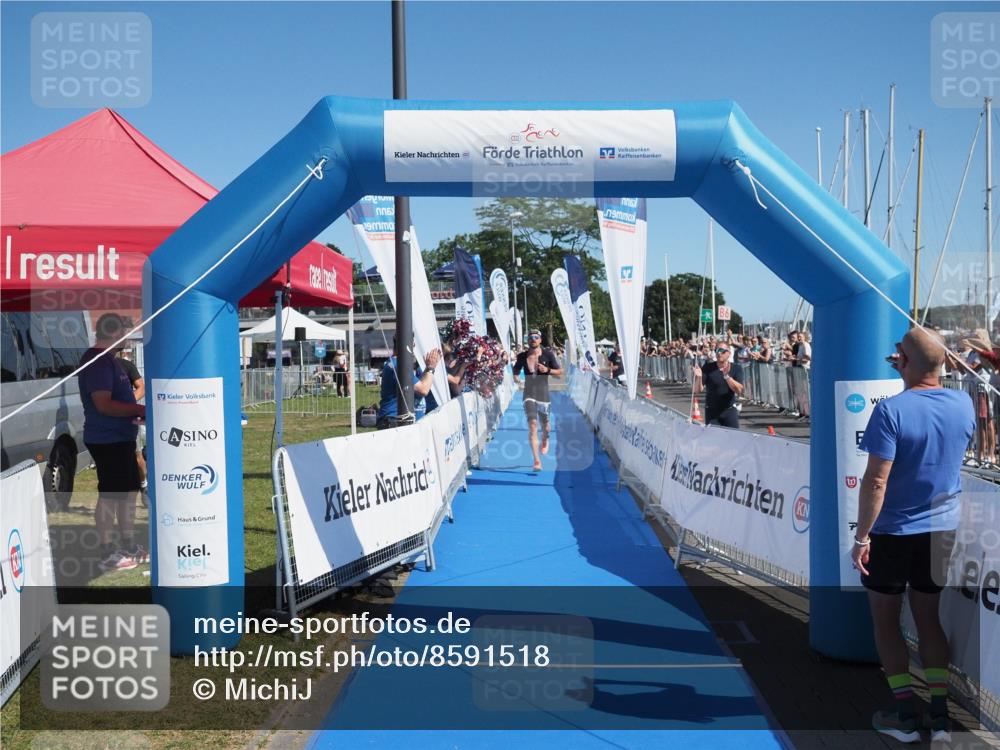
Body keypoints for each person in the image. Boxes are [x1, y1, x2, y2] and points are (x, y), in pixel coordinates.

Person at [853, 327, 975, 744]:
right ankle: (940, 716)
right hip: (941, 528)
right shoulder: (963, 403)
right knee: (928, 617)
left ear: (902, 361)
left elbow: (875, 483)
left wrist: (861, 537)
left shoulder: (891, 411)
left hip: (891, 532)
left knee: (886, 622)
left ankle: (906, 715)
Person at [78, 314, 147, 571]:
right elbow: (103, 404)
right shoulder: (97, 361)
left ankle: (128, 545)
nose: (128, 338)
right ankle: (107, 551)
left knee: (128, 493)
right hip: (106, 440)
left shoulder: (111, 360)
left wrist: (135, 411)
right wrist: (137, 410)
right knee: (110, 495)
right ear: (115, 332)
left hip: (122, 438)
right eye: (125, 333)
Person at [512, 329, 563, 471]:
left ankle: (545, 439)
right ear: (527, 340)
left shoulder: (548, 355)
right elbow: (515, 372)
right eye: (530, 337)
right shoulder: (522, 356)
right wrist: (517, 379)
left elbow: (560, 374)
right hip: (528, 393)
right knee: (533, 425)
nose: (533, 339)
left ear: (540, 340)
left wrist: (547, 370)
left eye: (536, 337)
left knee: (545, 426)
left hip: (544, 394)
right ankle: (536, 461)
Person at [377, 338, 442, 429]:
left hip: (397, 420)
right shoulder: (398, 365)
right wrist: (431, 368)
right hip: (394, 421)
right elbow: (423, 389)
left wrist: (427, 368)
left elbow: (420, 383)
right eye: (413, 346)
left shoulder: (398, 364)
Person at [117, 350, 148, 500]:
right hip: (106, 421)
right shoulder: (98, 367)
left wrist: (128, 401)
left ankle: (144, 484)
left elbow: (141, 387)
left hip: (128, 418)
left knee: (136, 455)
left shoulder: (126, 365)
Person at [693, 343, 744, 428]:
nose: (719, 353)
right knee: (714, 439)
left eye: (722, 351)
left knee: (734, 439)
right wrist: (698, 377)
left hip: (729, 410)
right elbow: (697, 390)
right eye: (717, 350)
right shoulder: (708, 367)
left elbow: (740, 390)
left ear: (729, 353)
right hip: (712, 411)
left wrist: (727, 376)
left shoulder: (736, 368)